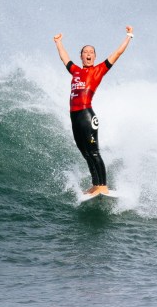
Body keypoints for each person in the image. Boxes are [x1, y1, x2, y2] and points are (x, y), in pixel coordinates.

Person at [53, 26, 133, 195]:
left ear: (94, 57)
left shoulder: (99, 70)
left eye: (91, 52)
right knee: (85, 152)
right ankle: (96, 184)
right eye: (85, 52)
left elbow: (117, 54)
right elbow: (64, 58)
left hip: (87, 115)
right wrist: (58, 42)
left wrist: (128, 36)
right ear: (81, 56)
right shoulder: (75, 71)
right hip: (74, 116)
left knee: (94, 151)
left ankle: (103, 186)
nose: (88, 54)